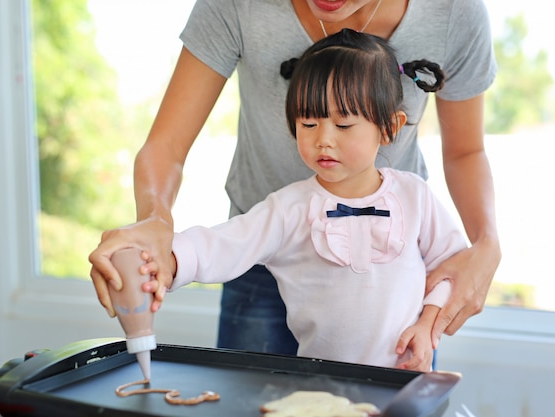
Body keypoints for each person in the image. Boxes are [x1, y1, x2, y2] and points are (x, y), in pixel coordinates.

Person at [89, 0, 501, 356]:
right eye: (308, 123)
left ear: (391, 127)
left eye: (343, 125)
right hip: (258, 268)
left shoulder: (416, 200)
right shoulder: (284, 210)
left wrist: (480, 253)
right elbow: (219, 238)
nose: (324, 141)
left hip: (397, 314)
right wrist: (160, 241)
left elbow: (464, 165)